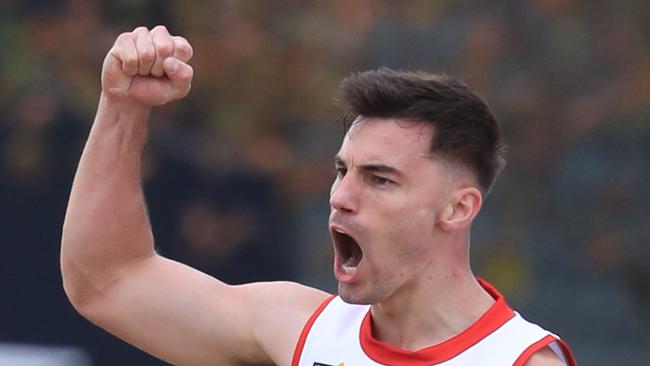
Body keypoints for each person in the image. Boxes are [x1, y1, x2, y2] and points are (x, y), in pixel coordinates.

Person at [61, 26, 577, 366]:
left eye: (379, 179)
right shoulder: (298, 329)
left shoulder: (520, 360)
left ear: (458, 208)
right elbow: (107, 279)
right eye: (341, 170)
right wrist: (122, 106)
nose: (342, 197)